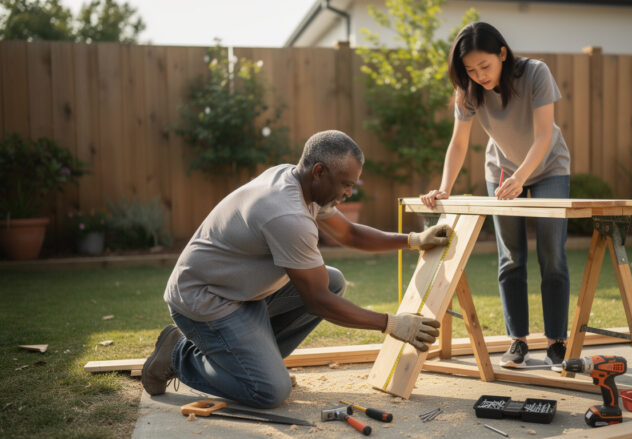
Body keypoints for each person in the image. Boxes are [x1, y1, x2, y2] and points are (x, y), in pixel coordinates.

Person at [142, 130, 452, 408]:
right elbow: (317, 301)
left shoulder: (297, 181)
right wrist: (391, 324)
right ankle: (179, 354)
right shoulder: (288, 216)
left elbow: (350, 234)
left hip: (239, 292)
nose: (349, 193)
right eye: (345, 184)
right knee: (270, 391)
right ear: (319, 171)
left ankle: (256, 365)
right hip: (206, 301)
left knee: (332, 281)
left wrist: (413, 239)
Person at [421, 22, 571, 370]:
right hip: (502, 171)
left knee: (552, 254)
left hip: (549, 169)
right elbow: (458, 143)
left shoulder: (535, 73)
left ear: (502, 53)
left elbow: (544, 135)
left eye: (484, 67)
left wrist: (522, 178)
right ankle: (517, 341)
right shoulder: (468, 91)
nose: (479, 76)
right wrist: (444, 186)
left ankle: (556, 344)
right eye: (470, 71)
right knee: (511, 256)